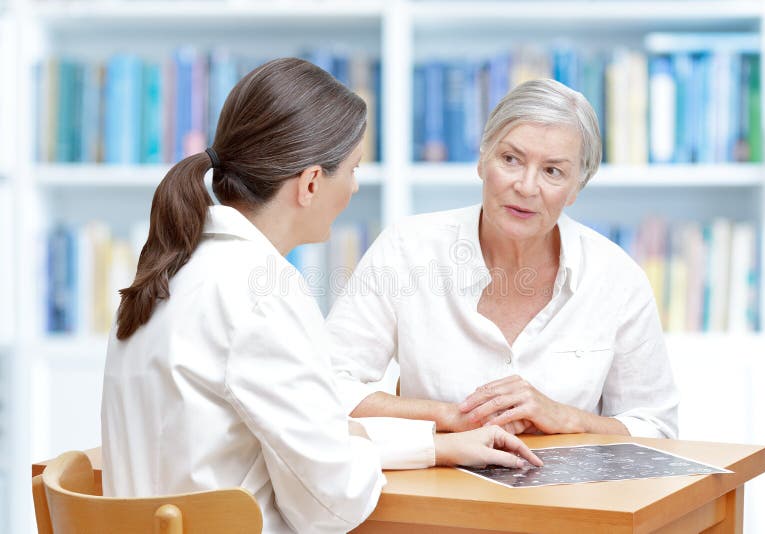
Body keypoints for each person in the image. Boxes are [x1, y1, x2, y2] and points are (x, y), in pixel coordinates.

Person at [101, 58, 540, 534]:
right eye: (352, 170)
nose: (353, 186)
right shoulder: (260, 293)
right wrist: (358, 448)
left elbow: (308, 439)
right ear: (311, 183)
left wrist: (435, 446)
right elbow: (331, 505)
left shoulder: (171, 270)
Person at [327, 79, 679, 440]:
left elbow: (657, 427)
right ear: (482, 160)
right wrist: (452, 417)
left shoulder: (616, 277)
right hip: (437, 488)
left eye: (552, 171)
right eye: (511, 159)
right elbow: (326, 388)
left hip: (570, 494)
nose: (526, 187)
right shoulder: (408, 249)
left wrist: (567, 418)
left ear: (577, 187)